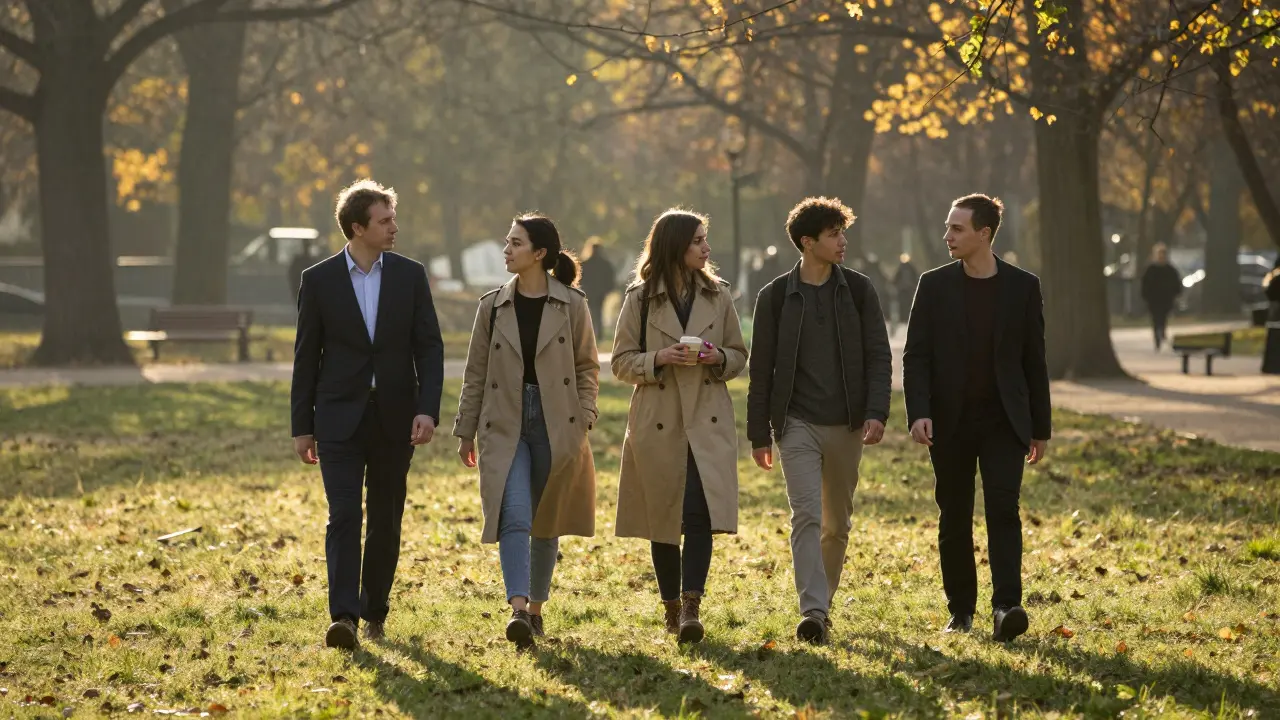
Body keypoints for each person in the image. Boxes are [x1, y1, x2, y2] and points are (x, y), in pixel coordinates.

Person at [290, 179, 445, 649]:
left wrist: (428, 410)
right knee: (342, 517)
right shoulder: (318, 281)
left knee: (385, 517)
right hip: (337, 418)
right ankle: (345, 617)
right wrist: (302, 427)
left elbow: (430, 348)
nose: (394, 227)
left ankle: (374, 609)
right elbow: (306, 356)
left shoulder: (410, 275)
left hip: (396, 418)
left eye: (393, 218)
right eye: (385, 220)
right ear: (357, 228)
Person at [903, 193, 1050, 642]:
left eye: (957, 229)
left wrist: (1039, 428)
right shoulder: (933, 284)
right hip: (949, 422)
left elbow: (1034, 361)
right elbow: (916, 356)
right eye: (948, 227)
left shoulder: (1023, 286)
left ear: (984, 234)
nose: (948, 236)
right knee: (955, 514)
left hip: (1006, 422)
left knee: (1003, 511)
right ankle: (961, 610)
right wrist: (919, 412)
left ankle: (1007, 607)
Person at [746, 196, 892, 645]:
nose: (842, 241)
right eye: (833, 234)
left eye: (842, 232)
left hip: (848, 423)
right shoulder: (774, 297)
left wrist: (876, 411)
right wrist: (758, 434)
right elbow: (762, 368)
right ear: (807, 242)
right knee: (805, 514)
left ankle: (822, 604)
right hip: (796, 424)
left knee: (836, 524)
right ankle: (813, 610)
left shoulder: (861, 290)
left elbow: (878, 355)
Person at [454, 214, 599, 650]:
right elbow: (475, 372)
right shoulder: (491, 305)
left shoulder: (572, 305)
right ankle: (517, 608)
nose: (506, 249)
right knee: (513, 513)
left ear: (539, 254)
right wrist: (465, 430)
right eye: (507, 241)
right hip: (504, 421)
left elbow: (588, 366)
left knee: (545, 519)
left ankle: (536, 609)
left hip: (558, 420)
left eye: (515, 243)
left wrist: (586, 414)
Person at [611, 209, 748, 644]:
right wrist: (658, 359)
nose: (707, 248)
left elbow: (739, 355)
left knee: (700, 514)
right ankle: (671, 606)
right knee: (663, 515)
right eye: (698, 241)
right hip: (658, 421)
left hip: (706, 419)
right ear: (675, 245)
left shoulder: (720, 295)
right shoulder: (639, 298)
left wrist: (717, 357)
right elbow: (619, 362)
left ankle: (692, 606)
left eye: (706, 240)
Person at [1139, 244, 1182, 351]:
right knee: (1155, 318)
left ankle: (1162, 330)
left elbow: (1176, 283)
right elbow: (1145, 284)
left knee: (1163, 317)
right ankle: (1157, 336)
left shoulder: (1170, 269)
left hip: (1166, 298)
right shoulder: (1150, 269)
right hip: (1153, 299)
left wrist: (1176, 293)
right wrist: (1145, 296)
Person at [578, 236, 617, 338]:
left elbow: (580, 278)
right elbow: (610, 278)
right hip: (597, 292)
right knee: (596, 312)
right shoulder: (604, 264)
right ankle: (597, 334)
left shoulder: (585, 263)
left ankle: (594, 334)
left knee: (592, 312)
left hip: (591, 292)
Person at [893, 254, 920, 332]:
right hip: (902, 290)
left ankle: (908, 317)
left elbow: (916, 277)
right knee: (902, 304)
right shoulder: (900, 268)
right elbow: (896, 278)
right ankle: (903, 318)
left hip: (909, 290)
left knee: (909, 304)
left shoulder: (911, 268)